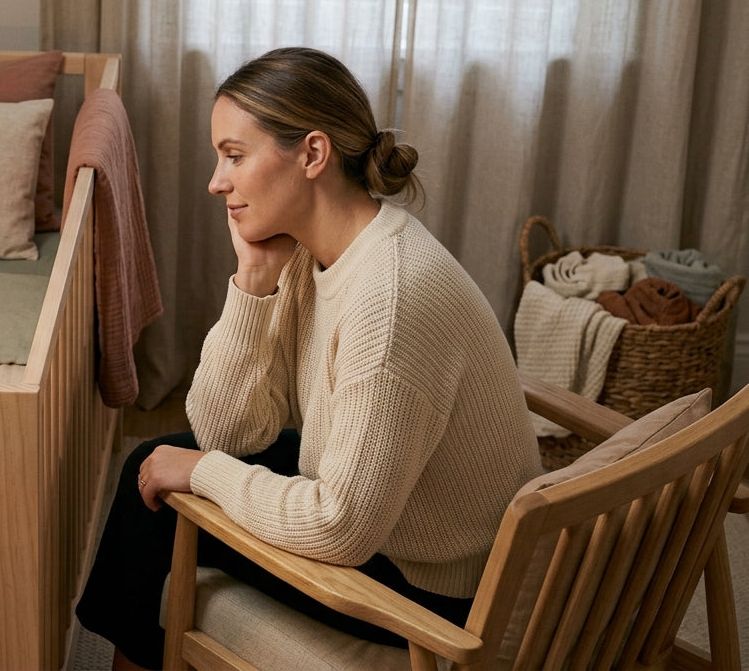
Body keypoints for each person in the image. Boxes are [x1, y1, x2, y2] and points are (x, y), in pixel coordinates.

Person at [75, 48, 543, 670]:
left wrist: (204, 472)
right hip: (386, 515)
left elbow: (340, 528)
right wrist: (252, 280)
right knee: (152, 465)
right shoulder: (314, 249)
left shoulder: (392, 298)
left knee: (165, 489)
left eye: (234, 156)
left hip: (434, 589)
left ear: (313, 155)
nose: (217, 181)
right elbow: (230, 433)